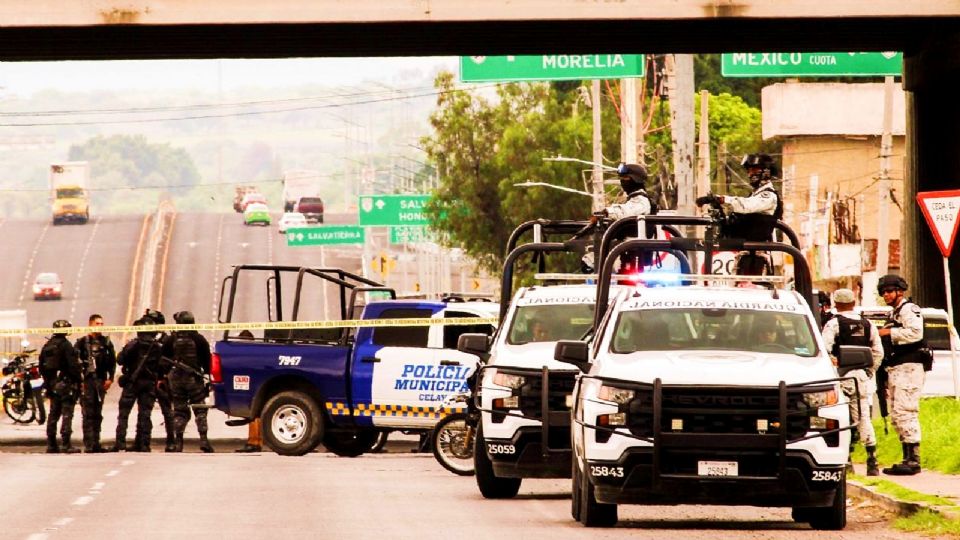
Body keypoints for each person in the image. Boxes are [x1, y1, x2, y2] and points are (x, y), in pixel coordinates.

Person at [821, 288, 884, 476]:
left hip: (841, 377)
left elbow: (825, 350)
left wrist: (833, 368)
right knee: (863, 417)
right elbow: (878, 352)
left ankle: (846, 461)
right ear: (853, 302)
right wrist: (868, 371)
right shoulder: (868, 324)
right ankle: (872, 461)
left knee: (841, 418)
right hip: (862, 378)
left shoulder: (834, 324)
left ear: (836, 304)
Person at [695, 153, 783, 274]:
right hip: (745, 255)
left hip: (757, 257)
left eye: (755, 169)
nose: (750, 174)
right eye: (749, 170)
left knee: (753, 288)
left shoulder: (768, 196)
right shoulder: (756, 194)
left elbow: (746, 206)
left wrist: (722, 199)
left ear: (766, 171)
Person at [876, 274, 926, 475]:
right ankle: (906, 457)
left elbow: (916, 333)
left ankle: (914, 460)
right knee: (897, 414)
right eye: (883, 292)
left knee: (906, 411)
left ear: (900, 291)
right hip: (897, 368)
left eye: (889, 291)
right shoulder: (895, 313)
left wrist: (889, 333)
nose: (886, 295)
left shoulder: (908, 309)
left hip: (910, 367)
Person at [581, 162, 657, 272]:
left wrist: (607, 212)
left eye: (625, 178)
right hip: (626, 249)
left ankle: (592, 261)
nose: (622, 182)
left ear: (634, 180)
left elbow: (627, 212)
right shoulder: (634, 199)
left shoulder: (642, 201)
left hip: (632, 248)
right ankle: (592, 261)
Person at [162, 310, 214, 453]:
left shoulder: (170, 340)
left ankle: (178, 442)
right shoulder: (199, 339)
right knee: (200, 410)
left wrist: (165, 375)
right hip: (194, 380)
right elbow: (207, 361)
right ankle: (204, 440)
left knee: (179, 411)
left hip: (176, 380)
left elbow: (163, 360)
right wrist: (207, 375)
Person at [112, 316, 162, 452]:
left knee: (123, 414)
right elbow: (161, 366)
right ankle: (144, 444)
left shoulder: (133, 345)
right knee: (145, 414)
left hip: (132, 383)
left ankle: (120, 443)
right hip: (149, 383)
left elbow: (120, 360)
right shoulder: (157, 347)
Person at [74, 314, 116, 453]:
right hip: (87, 381)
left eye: (101, 324)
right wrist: (80, 382)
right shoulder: (81, 342)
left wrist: (110, 378)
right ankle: (89, 444)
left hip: (100, 380)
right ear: (90, 324)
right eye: (97, 324)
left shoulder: (107, 342)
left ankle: (96, 443)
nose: (100, 326)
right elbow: (75, 364)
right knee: (88, 413)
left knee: (98, 413)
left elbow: (112, 362)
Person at [39, 320, 82, 453]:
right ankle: (66, 443)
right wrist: (78, 380)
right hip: (66, 384)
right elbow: (72, 366)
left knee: (53, 414)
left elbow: (42, 367)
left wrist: (48, 383)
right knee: (67, 414)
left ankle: (51, 444)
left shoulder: (47, 345)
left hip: (52, 384)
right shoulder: (66, 345)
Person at [143, 308, 178, 451]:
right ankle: (143, 441)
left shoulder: (167, 340)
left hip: (162, 380)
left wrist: (163, 376)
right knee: (145, 412)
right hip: (147, 379)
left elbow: (170, 360)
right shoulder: (145, 338)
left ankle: (171, 440)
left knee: (167, 412)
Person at [235, 330, 263, 453]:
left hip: (252, 387)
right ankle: (256, 441)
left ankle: (254, 442)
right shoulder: (256, 351)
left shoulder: (246, 353)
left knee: (253, 414)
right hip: (257, 385)